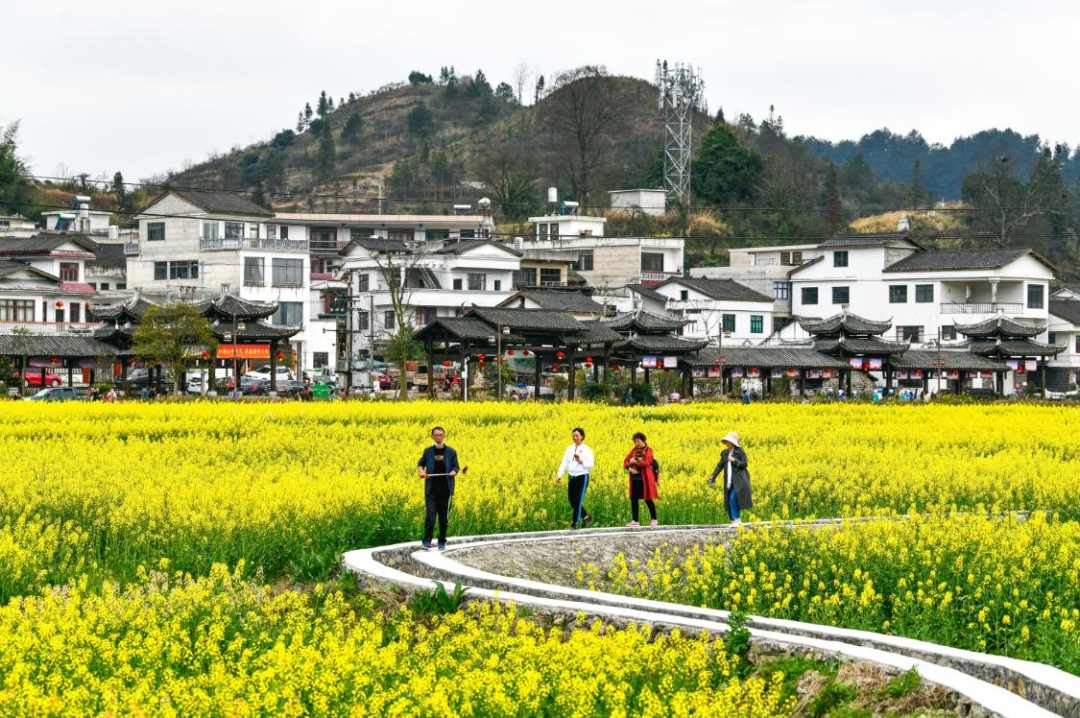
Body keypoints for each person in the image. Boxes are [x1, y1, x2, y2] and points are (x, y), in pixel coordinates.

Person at [417, 426, 459, 551]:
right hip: (431, 489)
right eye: (436, 435)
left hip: (445, 489)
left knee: (443, 517)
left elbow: (456, 466)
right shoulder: (428, 451)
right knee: (430, 516)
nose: (438, 437)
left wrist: (453, 471)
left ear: (444, 436)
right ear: (432, 436)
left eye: (440, 435)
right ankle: (426, 542)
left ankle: (442, 542)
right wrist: (421, 472)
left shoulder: (451, 452)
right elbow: (420, 464)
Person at [707, 431, 753, 527]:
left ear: (733, 442)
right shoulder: (725, 453)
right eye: (726, 441)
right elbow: (720, 466)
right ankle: (733, 520)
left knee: (733, 498)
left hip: (739, 481)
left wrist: (734, 460)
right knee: (728, 500)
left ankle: (737, 519)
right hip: (729, 481)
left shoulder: (739, 452)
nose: (726, 443)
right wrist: (713, 476)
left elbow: (744, 464)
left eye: (728, 441)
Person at [555, 427, 594, 530]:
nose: (575, 437)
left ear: (582, 437)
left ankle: (575, 523)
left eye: (577, 435)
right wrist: (559, 475)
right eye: (573, 435)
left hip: (582, 476)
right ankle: (586, 516)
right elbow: (565, 463)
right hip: (571, 477)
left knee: (578, 501)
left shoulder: (587, 450)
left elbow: (591, 464)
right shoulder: (569, 449)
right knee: (571, 500)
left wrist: (582, 462)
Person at [624, 432, 658, 527]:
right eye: (635, 442)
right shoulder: (634, 450)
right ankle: (635, 521)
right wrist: (629, 468)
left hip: (645, 479)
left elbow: (646, 462)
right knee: (633, 498)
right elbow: (626, 460)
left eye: (638, 441)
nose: (636, 444)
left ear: (643, 440)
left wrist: (635, 461)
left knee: (648, 499)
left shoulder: (649, 450)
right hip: (635, 479)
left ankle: (654, 519)